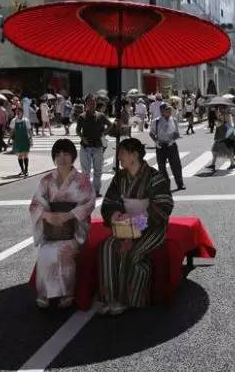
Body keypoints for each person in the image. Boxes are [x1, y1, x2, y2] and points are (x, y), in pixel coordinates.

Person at [97, 138, 174, 315]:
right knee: (106, 247)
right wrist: (115, 214)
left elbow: (164, 207)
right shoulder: (120, 177)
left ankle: (128, 298)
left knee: (130, 251)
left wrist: (137, 225)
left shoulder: (155, 177)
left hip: (151, 226)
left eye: (122, 153)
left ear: (134, 155)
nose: (119, 157)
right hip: (126, 226)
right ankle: (109, 297)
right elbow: (110, 202)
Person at [29, 139, 96, 309]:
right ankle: (45, 293)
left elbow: (89, 203)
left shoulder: (82, 180)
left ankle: (66, 292)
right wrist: (47, 215)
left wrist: (68, 216)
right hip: (52, 229)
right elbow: (35, 203)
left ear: (73, 156)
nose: (62, 157)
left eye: (66, 153)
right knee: (45, 252)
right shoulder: (47, 180)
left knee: (62, 251)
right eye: (58, 154)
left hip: (73, 229)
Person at [76, 95, 112, 197]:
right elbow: (78, 130)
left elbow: (110, 124)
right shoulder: (81, 117)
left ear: (95, 103)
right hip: (85, 147)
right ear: (86, 104)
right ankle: (86, 191)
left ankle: (96, 191)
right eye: (89, 103)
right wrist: (82, 137)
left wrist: (104, 133)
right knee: (85, 172)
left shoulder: (101, 116)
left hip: (97, 146)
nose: (92, 104)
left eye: (93, 102)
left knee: (98, 171)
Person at [150, 103, 185, 191]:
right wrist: (156, 141)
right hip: (160, 146)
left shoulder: (174, 120)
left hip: (171, 145)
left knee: (176, 165)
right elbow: (151, 133)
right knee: (161, 167)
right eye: (167, 110)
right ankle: (165, 185)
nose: (169, 111)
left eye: (170, 109)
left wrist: (172, 141)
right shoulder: (156, 121)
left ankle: (180, 183)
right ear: (162, 111)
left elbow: (177, 134)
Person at [206, 106, 235, 172]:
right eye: (219, 108)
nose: (219, 109)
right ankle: (213, 164)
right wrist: (217, 116)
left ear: (224, 108)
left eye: (221, 108)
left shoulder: (227, 115)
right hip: (220, 134)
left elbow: (225, 124)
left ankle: (232, 163)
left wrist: (219, 118)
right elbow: (218, 123)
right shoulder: (221, 114)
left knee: (226, 150)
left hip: (224, 135)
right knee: (215, 149)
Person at [9, 107, 32, 177]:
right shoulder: (13, 121)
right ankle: (22, 170)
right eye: (17, 111)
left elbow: (29, 130)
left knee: (25, 155)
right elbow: (12, 131)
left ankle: (26, 170)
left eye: (19, 111)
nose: (17, 113)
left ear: (22, 112)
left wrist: (31, 139)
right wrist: (9, 139)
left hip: (25, 139)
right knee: (19, 155)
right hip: (17, 140)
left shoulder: (26, 120)